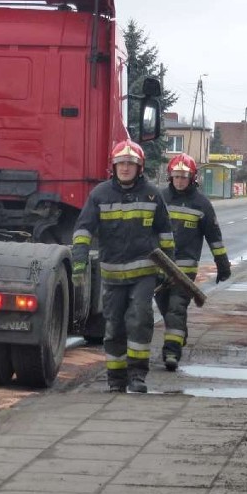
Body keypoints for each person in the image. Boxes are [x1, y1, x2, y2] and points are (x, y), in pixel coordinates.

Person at [72, 140, 175, 394]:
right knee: (113, 326)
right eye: (121, 163)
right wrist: (79, 260)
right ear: (113, 166)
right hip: (112, 274)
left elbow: (165, 234)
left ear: (140, 167)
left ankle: (137, 375)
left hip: (143, 273)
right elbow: (83, 229)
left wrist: (166, 268)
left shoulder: (152, 195)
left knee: (140, 319)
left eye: (131, 163)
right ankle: (116, 379)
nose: (126, 167)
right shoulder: (99, 194)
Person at [156, 154, 231, 371]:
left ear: (193, 178)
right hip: (160, 267)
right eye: (176, 176)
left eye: (184, 177)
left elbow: (214, 237)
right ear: (170, 177)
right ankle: (179, 335)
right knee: (164, 308)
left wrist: (222, 264)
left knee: (176, 309)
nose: (180, 181)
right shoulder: (160, 199)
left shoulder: (202, 204)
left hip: (184, 271)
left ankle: (171, 352)